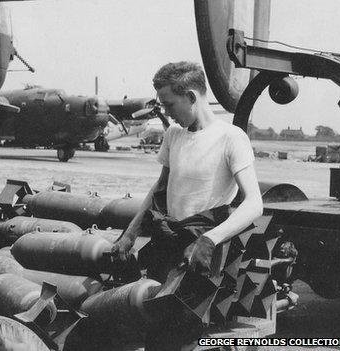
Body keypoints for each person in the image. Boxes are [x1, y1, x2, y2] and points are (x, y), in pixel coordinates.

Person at [111, 61, 263, 281]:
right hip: (170, 240)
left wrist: (209, 240)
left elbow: (254, 203)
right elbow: (160, 187)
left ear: (191, 97)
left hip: (205, 248)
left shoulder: (231, 137)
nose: (166, 112)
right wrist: (130, 233)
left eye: (169, 105)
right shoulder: (174, 134)